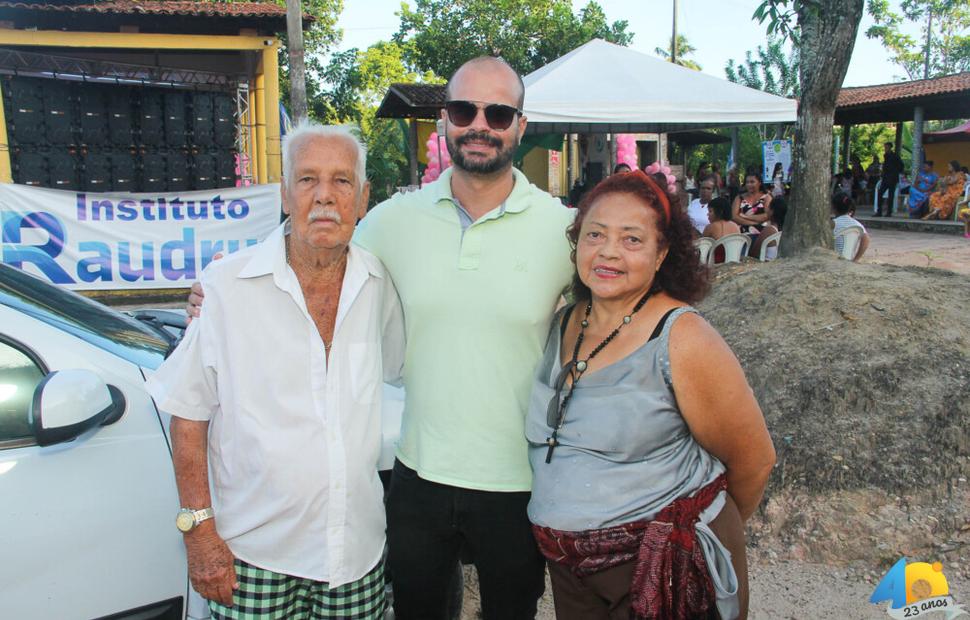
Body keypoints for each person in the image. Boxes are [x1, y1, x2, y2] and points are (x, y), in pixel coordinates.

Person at [151, 124, 405, 619]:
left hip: (354, 555)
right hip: (253, 559)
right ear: (286, 193)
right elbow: (187, 413)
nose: (325, 196)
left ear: (363, 196)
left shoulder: (380, 284)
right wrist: (199, 530)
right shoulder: (227, 286)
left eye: (342, 181)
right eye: (307, 180)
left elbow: (400, 367)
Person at [526, 170, 775, 619]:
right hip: (571, 572)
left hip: (663, 570)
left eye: (631, 240)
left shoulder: (682, 338)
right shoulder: (565, 320)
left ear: (662, 253)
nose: (608, 252)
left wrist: (691, 527)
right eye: (594, 234)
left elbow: (755, 461)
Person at [832, 191, 870, 261]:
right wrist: (856, 259)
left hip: (833, 259)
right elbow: (866, 239)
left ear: (834, 208)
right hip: (849, 259)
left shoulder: (833, 223)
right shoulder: (857, 225)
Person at [732, 172, 772, 237]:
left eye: (752, 182)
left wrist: (745, 216)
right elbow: (734, 217)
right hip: (743, 234)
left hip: (762, 233)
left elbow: (767, 215)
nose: (749, 185)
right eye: (747, 182)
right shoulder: (739, 198)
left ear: (759, 183)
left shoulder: (766, 197)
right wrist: (754, 223)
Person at [877, 142, 904, 217]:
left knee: (891, 195)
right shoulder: (885, 156)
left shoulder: (895, 156)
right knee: (880, 193)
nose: (885, 149)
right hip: (885, 178)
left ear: (890, 147)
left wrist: (895, 172)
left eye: (887, 147)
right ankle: (879, 211)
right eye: (885, 147)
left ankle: (889, 212)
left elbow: (901, 166)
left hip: (892, 178)